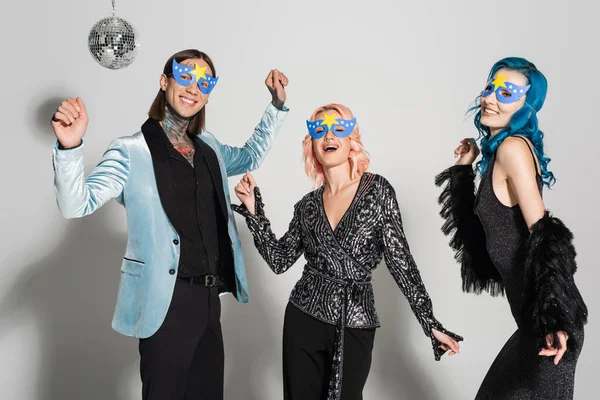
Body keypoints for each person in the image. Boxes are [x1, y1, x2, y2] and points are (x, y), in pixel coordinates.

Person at [50, 48, 289, 399]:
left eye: (204, 82)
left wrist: (277, 106)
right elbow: (76, 204)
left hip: (210, 300)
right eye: (185, 76)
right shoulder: (131, 151)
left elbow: (251, 154)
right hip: (165, 301)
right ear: (165, 81)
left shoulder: (209, 147)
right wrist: (69, 149)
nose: (194, 87)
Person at [233, 103, 462, 400]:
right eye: (320, 130)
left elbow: (400, 261)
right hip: (303, 317)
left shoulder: (378, 192)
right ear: (312, 145)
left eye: (338, 128)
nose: (329, 136)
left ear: (352, 140)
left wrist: (430, 323)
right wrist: (253, 211)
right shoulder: (308, 206)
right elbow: (279, 260)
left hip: (355, 320)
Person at [435, 57, 587, 399]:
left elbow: (545, 233)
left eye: (507, 92)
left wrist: (555, 320)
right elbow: (479, 241)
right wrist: (463, 169)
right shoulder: (500, 154)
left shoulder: (513, 149)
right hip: (534, 325)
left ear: (525, 107)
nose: (491, 97)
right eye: (491, 87)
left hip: (551, 327)